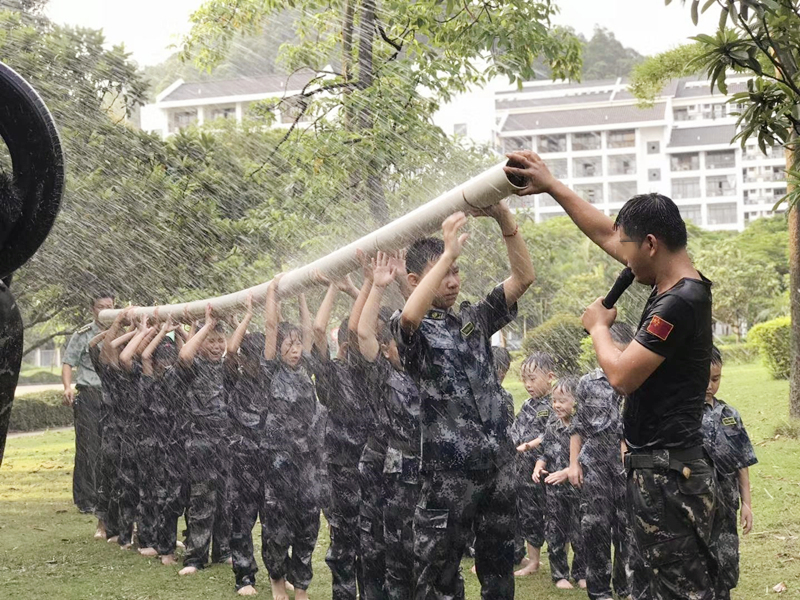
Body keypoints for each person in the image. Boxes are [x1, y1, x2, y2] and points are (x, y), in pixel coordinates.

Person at [506, 151, 717, 598]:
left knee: (682, 589)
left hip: (670, 475)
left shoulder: (679, 302)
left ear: (652, 244)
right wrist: (553, 185)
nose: (622, 257)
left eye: (629, 249)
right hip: (654, 469)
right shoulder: (668, 284)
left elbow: (622, 376)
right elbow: (609, 232)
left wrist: (599, 328)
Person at [391, 202, 535, 599]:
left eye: (456, 271)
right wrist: (448, 252)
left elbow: (524, 278)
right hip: (448, 477)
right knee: (439, 577)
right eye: (444, 273)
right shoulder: (411, 327)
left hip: (496, 468)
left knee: (499, 572)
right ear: (416, 280)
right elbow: (408, 320)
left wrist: (506, 221)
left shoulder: (474, 318)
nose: (453, 281)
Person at [357, 251, 421, 600]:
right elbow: (363, 333)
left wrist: (402, 279)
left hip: (428, 474)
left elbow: (425, 318)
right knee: (391, 554)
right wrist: (379, 287)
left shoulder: (426, 369)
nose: (405, 348)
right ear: (385, 349)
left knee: (424, 559)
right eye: (397, 344)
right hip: (393, 478)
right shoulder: (383, 375)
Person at [311, 275, 368, 600]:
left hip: (373, 472)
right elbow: (319, 331)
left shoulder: (375, 372)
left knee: (373, 545)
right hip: (343, 474)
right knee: (345, 545)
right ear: (346, 346)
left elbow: (381, 322)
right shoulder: (333, 374)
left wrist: (353, 288)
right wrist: (335, 286)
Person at [568, 323, 634, 600]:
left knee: (626, 528)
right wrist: (573, 464)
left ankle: (625, 586)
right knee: (595, 527)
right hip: (595, 463)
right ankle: (599, 591)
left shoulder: (635, 381)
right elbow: (578, 426)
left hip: (627, 464)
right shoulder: (587, 383)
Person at [177, 304, 232, 575]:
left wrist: (232, 322)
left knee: (225, 500)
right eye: (211, 341)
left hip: (225, 443)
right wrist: (207, 325)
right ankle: (195, 558)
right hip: (200, 444)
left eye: (220, 340)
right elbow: (185, 354)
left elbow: (236, 348)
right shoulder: (194, 367)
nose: (216, 346)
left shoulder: (227, 367)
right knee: (201, 501)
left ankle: (223, 552)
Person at [702, 346, 757, 600]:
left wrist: (746, 503)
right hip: (694, 510)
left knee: (725, 565)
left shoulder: (730, 415)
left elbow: (741, 462)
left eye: (715, 379)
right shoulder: (682, 416)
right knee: (697, 569)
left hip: (726, 508)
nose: (709, 386)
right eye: (703, 378)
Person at [62, 292, 114, 531]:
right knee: (88, 446)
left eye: (109, 306)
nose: (104, 311)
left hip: (113, 394)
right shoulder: (82, 334)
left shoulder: (121, 332)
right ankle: (86, 499)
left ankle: (108, 496)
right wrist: (67, 387)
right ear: (93, 310)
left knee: (110, 445)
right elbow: (68, 362)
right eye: (101, 307)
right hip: (89, 393)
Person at [533, 376, 586, 590]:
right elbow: (544, 452)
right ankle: (559, 574)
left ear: (576, 401)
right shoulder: (552, 424)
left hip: (578, 488)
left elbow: (586, 457)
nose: (556, 405)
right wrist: (538, 466)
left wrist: (566, 471)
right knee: (555, 531)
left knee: (581, 532)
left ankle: (581, 573)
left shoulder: (582, 427)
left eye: (562, 400)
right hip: (554, 491)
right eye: (554, 400)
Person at [139, 317, 185, 565]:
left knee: (172, 496)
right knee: (153, 495)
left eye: (170, 360)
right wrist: (161, 331)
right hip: (153, 445)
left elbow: (186, 355)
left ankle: (164, 541)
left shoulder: (177, 380)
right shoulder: (148, 381)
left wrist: (179, 332)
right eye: (163, 360)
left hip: (174, 445)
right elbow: (145, 356)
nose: (166, 365)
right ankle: (153, 542)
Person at [511, 351, 557, 577]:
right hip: (524, 470)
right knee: (529, 513)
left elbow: (550, 435)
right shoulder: (528, 405)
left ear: (549, 376)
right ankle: (533, 560)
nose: (528, 384)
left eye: (532, 378)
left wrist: (529, 446)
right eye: (524, 379)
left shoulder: (555, 404)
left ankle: (560, 564)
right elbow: (515, 432)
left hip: (548, 468)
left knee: (555, 514)